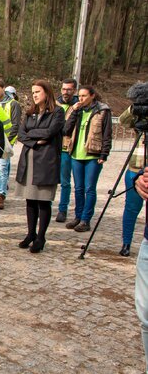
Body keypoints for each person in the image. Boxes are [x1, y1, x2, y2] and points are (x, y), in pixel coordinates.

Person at [15, 80, 65, 253]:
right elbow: (21, 134)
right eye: (33, 92)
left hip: (46, 162)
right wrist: (36, 140)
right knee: (30, 199)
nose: (34, 95)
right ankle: (31, 233)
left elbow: (50, 132)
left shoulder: (57, 112)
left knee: (43, 200)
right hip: (29, 160)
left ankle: (41, 237)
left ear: (47, 92)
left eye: (37, 92)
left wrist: (31, 135)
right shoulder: (31, 112)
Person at [62, 86, 112, 232]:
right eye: (79, 96)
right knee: (78, 188)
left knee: (89, 188)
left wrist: (104, 154)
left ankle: (86, 219)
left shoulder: (102, 110)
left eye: (84, 96)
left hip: (93, 154)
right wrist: (74, 112)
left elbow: (107, 133)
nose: (81, 98)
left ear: (92, 96)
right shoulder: (77, 110)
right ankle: (78, 217)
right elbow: (66, 130)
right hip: (76, 154)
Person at [0, 79, 21, 209]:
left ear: (3, 88)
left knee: (2, 168)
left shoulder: (13, 104)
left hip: (6, 142)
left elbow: (15, 124)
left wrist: (7, 140)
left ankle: (1, 194)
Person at [118, 106, 144, 257]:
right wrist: (135, 107)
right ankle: (126, 242)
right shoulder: (141, 115)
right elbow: (123, 121)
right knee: (131, 208)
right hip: (136, 167)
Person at [55, 78, 79, 222]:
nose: (66, 92)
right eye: (64, 89)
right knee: (49, 180)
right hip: (53, 147)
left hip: (67, 147)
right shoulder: (55, 104)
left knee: (65, 181)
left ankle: (62, 209)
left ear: (74, 90)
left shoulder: (79, 105)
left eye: (69, 89)